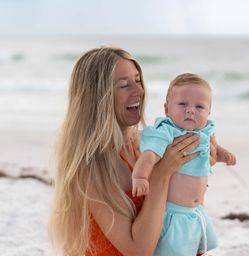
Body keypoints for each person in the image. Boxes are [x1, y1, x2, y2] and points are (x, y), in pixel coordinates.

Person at [48, 47, 207, 256]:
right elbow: (138, 251)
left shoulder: (146, 145)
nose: (139, 91)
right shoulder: (89, 168)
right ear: (98, 98)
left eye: (138, 80)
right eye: (124, 85)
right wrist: (160, 174)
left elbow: (184, 212)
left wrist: (197, 165)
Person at [131, 73, 236, 256]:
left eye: (199, 106)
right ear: (166, 109)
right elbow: (149, 155)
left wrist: (221, 154)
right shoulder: (166, 131)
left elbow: (209, 148)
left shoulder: (205, 130)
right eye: (182, 104)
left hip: (195, 212)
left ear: (209, 112)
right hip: (173, 214)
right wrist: (140, 176)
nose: (190, 110)